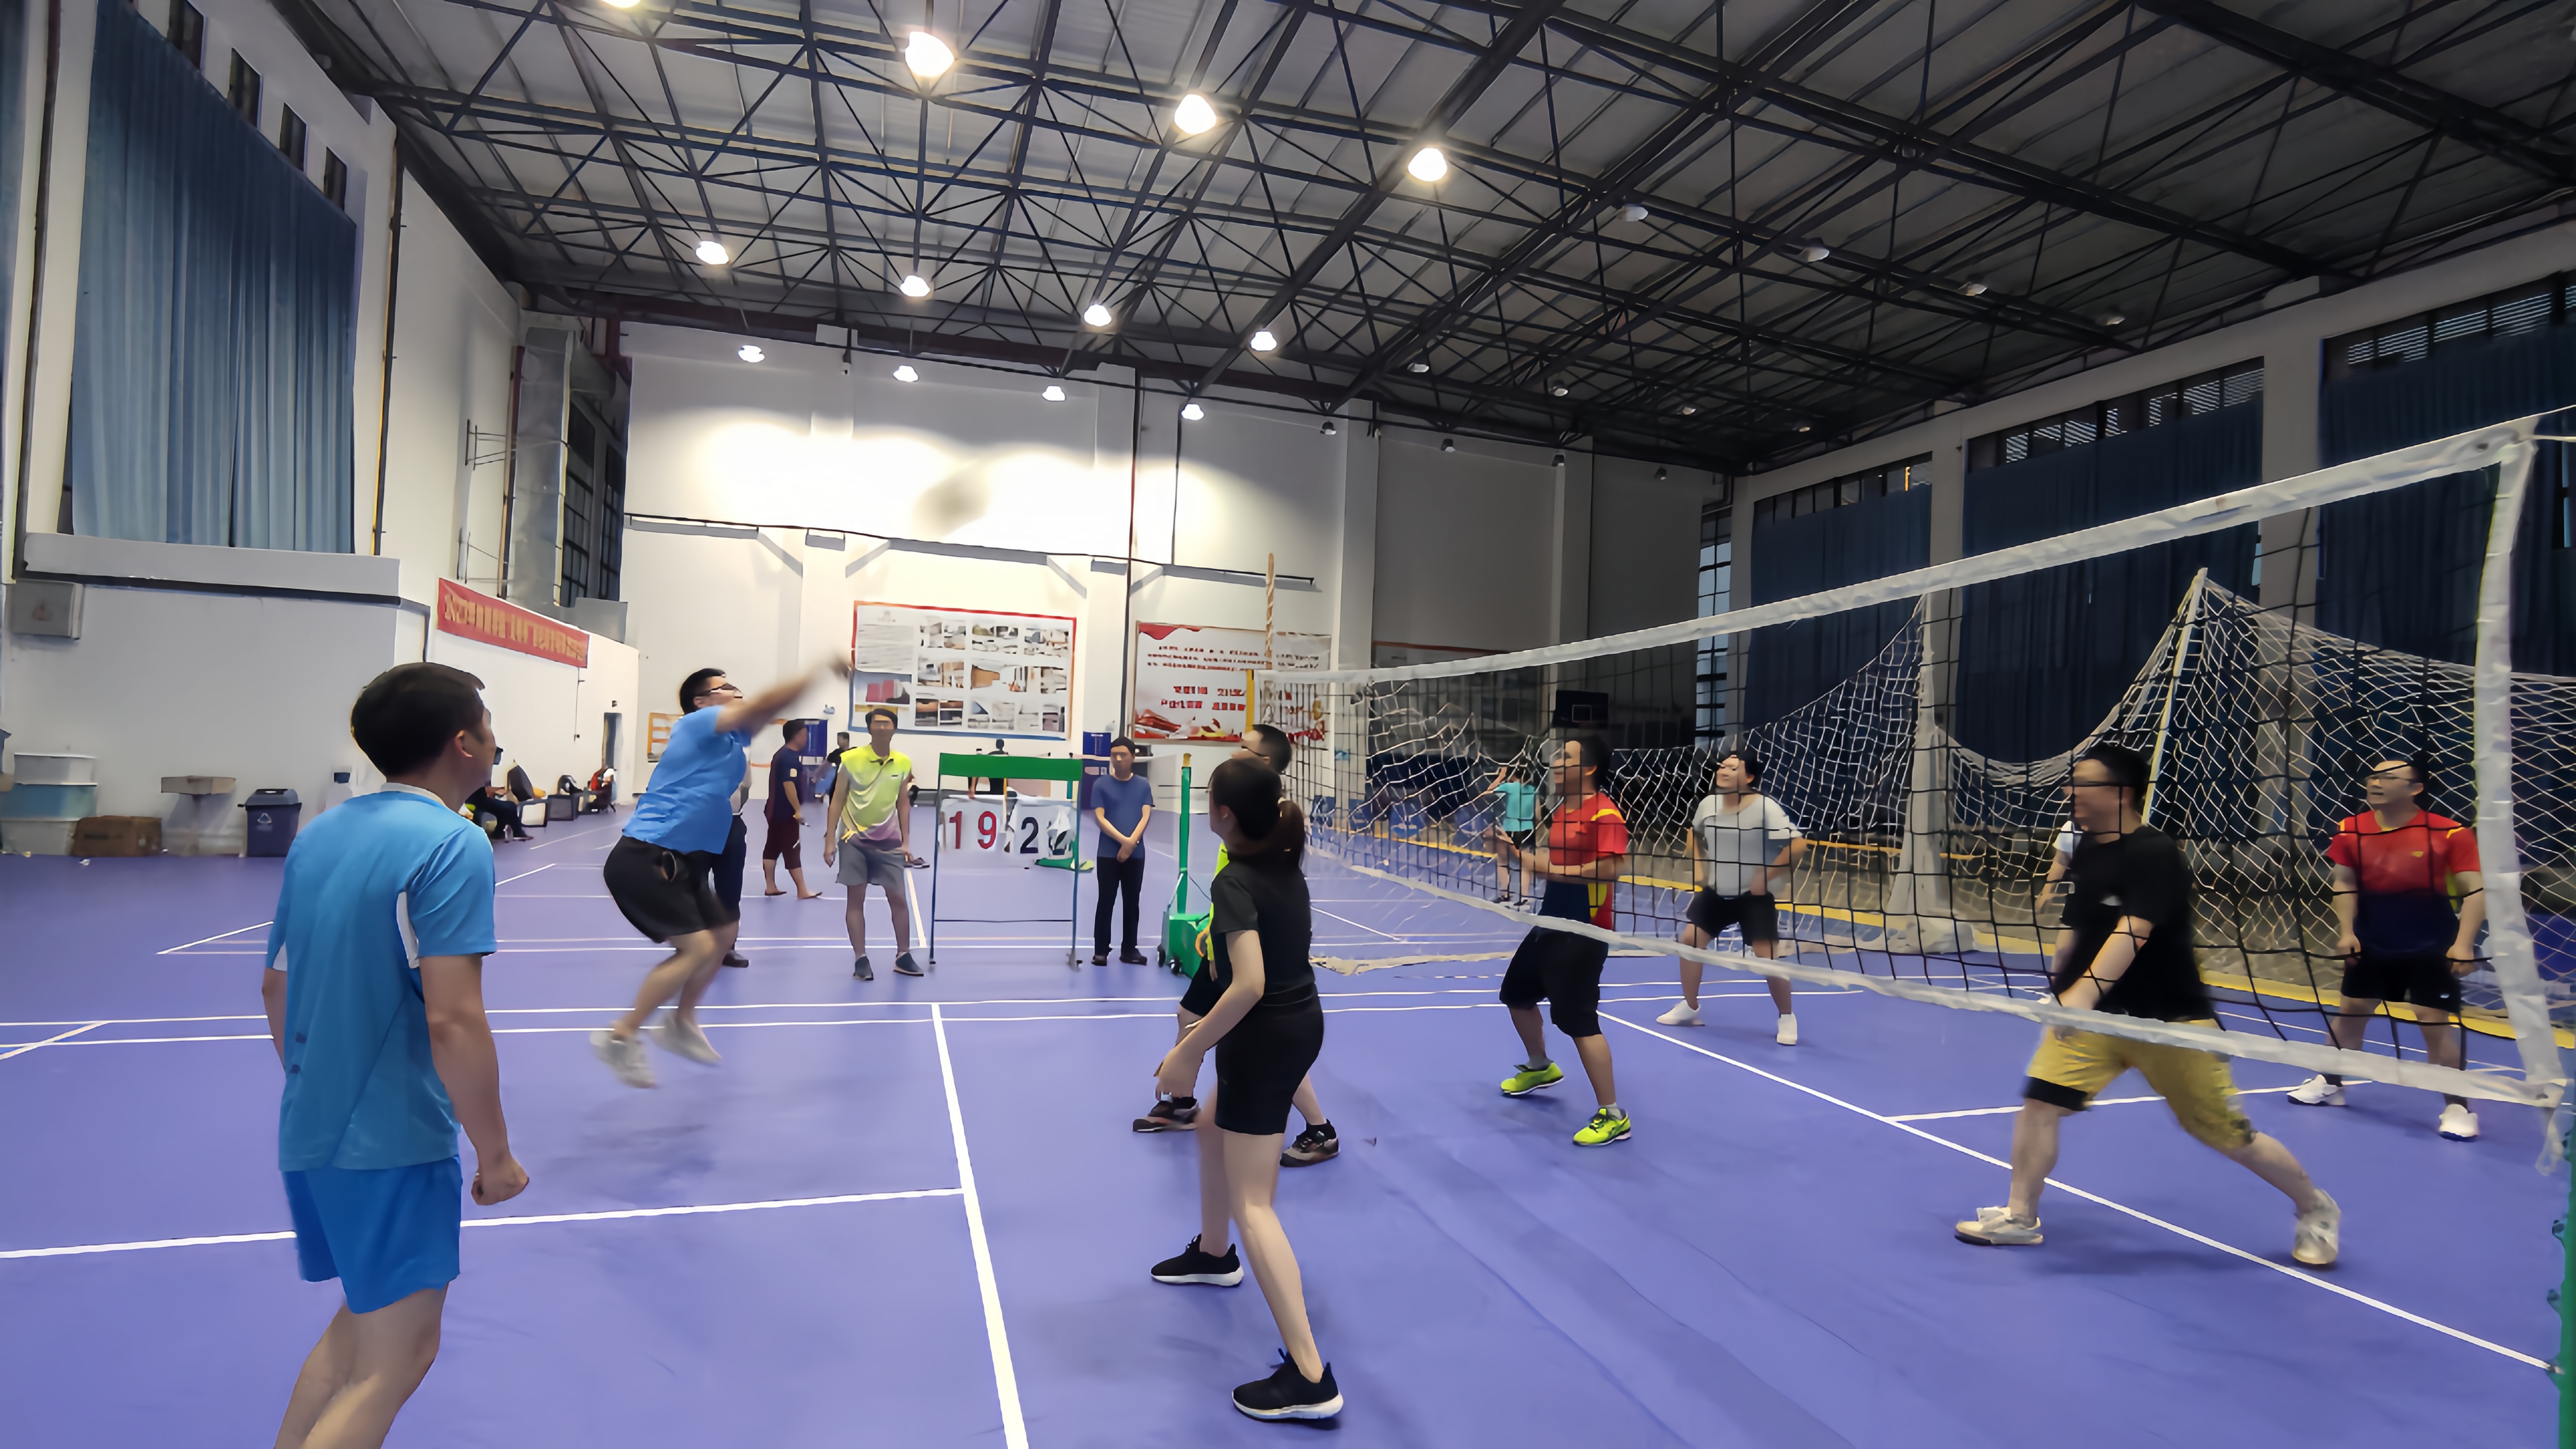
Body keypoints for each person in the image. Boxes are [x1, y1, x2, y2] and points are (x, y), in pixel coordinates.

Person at [261, 663, 527, 1448]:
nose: (495, 739)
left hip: (311, 1128)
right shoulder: (453, 843)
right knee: (397, 1359)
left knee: (360, 1336)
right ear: (464, 743)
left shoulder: (321, 835)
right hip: (393, 1140)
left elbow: (276, 987)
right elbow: (454, 1019)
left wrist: (324, 1092)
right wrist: (496, 1153)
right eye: (488, 725)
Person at [1955, 742, 2340, 1266]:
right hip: (2094, 1020)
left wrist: (2081, 996)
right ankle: (2020, 1216)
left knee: (2224, 1134)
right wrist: (2059, 990)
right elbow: (2078, 926)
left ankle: (2314, 1207)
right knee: (2039, 1105)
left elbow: (2133, 930)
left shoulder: (2153, 853)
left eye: (2082, 783)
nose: (2069, 791)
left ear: (2119, 793)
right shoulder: (2087, 847)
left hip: (2170, 1022)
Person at [1146, 756, 1342, 1421]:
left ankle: (1310, 1376)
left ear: (1224, 815)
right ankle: (1212, 1253)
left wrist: (1186, 1053)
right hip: (1301, 1024)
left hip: (1263, 1041)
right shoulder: (1283, 862)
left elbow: (1250, 983)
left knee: (1255, 1204)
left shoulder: (1235, 879)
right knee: (1209, 1128)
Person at [594, 658, 845, 1087]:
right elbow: (763, 704)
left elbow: (761, 712)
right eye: (725, 687)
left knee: (723, 934)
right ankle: (620, 1035)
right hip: (647, 855)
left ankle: (682, 1022)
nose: (735, 691)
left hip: (685, 859)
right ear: (702, 701)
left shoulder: (730, 739)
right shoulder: (698, 723)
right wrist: (817, 672)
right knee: (696, 950)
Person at [1137, 725, 1338, 1170]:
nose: (1234, 753)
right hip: (1227, 937)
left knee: (1268, 1047)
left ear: (1263, 763)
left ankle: (1320, 1128)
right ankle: (1184, 1102)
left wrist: (1228, 948)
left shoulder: (1264, 823)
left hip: (1247, 952)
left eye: (1243, 749)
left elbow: (1260, 901)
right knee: (1189, 1014)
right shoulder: (1247, 825)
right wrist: (1214, 930)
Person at [2288, 758, 2487, 1141]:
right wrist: (2346, 932)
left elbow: (2475, 891)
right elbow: (2344, 883)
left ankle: (2458, 1106)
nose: (2376, 782)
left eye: (2389, 777)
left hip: (2430, 946)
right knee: (2350, 1014)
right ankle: (2331, 1083)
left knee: (2433, 1022)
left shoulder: (2450, 833)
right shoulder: (2350, 828)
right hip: (2372, 942)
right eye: (2373, 776)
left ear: (2415, 789)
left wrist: (2464, 944)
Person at [1495, 734, 1633, 1148]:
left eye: (1565, 757)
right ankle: (1540, 1066)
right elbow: (1553, 862)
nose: (1555, 763)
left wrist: (1553, 871)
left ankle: (1614, 1114)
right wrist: (1517, 855)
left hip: (1584, 932)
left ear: (1587, 768)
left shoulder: (1605, 813)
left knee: (1579, 1021)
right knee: (1516, 994)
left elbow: (1611, 869)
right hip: (1550, 924)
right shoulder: (1563, 810)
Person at [1659, 750, 1804, 1043]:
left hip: (1754, 897)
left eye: (1732, 768)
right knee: (1690, 940)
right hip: (1717, 892)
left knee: (1767, 955)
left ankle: (1787, 1017)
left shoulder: (1765, 808)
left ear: (1749, 777)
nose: (1723, 771)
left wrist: (1766, 875)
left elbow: (1797, 845)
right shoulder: (1708, 804)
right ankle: (1690, 1007)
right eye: (1722, 766)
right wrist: (1699, 864)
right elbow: (1693, 833)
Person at [825, 706, 923, 980]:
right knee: (856, 900)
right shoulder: (851, 759)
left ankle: (903, 955)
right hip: (853, 840)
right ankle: (861, 959)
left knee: (898, 898)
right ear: (869, 728)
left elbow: (903, 803)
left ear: (894, 729)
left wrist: (906, 842)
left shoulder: (903, 762)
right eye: (876, 723)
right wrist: (829, 840)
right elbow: (837, 801)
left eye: (887, 723)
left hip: (889, 842)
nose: (881, 727)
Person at [1091, 736, 1154, 965]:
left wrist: (1131, 843)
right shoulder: (1101, 785)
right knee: (1105, 901)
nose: (1118, 759)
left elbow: (1146, 815)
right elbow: (1100, 818)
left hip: (1136, 856)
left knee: (1132, 902)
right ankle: (1101, 950)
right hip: (1107, 855)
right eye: (1114, 755)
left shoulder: (1143, 785)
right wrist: (1124, 842)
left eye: (1123, 755)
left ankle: (1129, 949)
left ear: (1133, 757)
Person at [761, 721, 824, 900]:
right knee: (793, 848)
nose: (807, 739)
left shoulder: (781, 755)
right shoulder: (789, 758)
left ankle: (770, 886)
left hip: (774, 811)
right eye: (805, 734)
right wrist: (798, 810)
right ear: (798, 735)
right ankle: (802, 890)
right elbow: (789, 785)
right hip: (785, 813)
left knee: (772, 847)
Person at [1481, 761, 1539, 904]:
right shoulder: (1533, 790)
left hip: (1510, 827)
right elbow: (1538, 814)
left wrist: (1500, 777)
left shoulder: (1509, 787)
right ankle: (1524, 897)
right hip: (1528, 828)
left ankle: (1505, 895)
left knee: (1503, 861)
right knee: (1525, 864)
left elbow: (1488, 792)